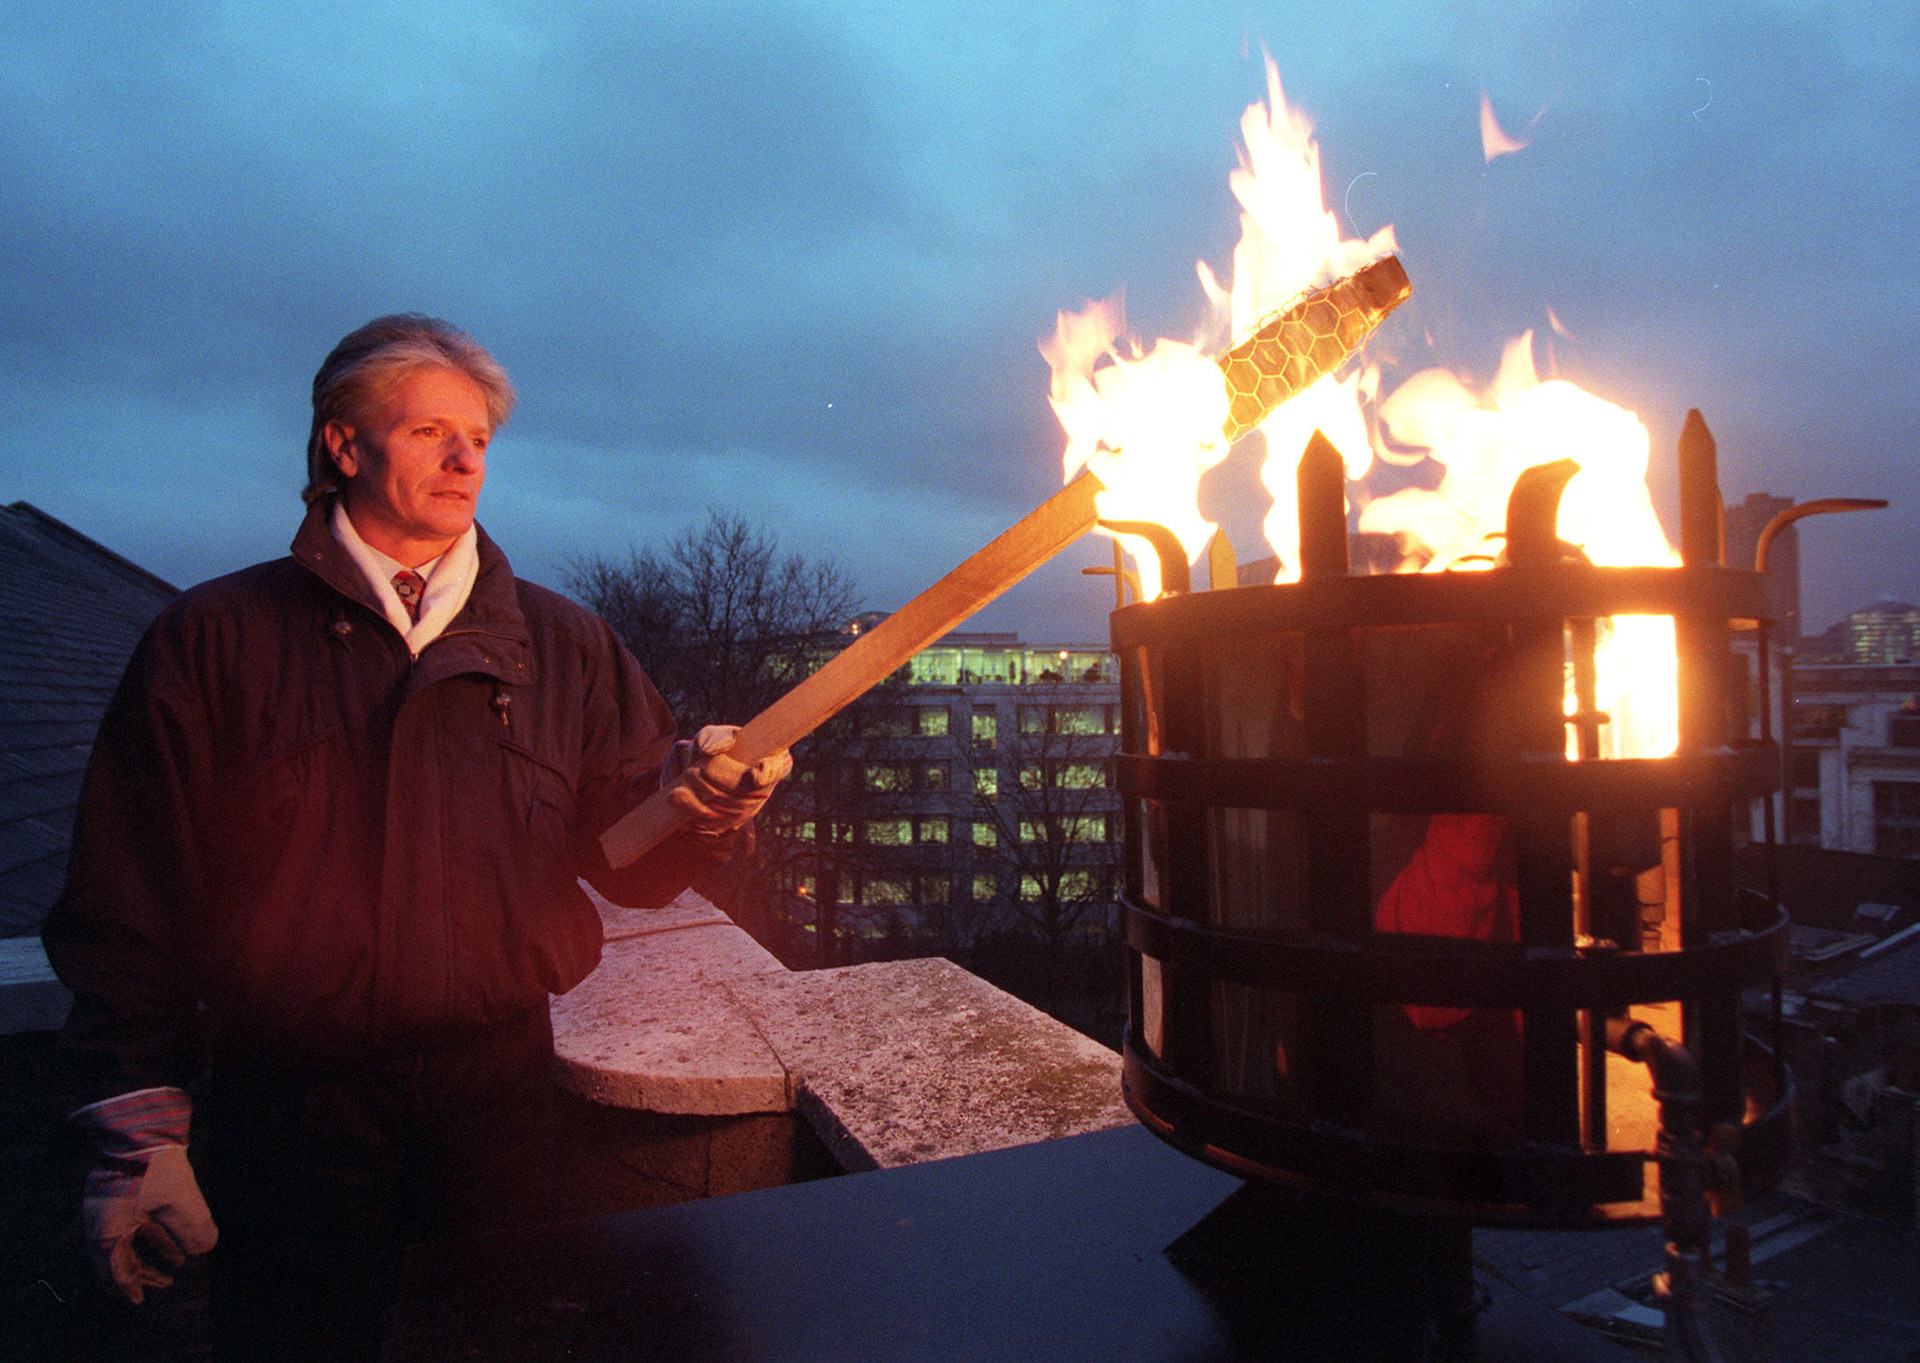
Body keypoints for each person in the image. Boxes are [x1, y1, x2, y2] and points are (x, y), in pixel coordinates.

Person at [43, 314, 789, 1359]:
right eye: (432, 430)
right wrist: (137, 1137)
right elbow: (130, 898)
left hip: (502, 1107)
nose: (464, 458)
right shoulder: (218, 640)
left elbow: (631, 859)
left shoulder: (562, 643)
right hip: (288, 1116)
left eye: (479, 438)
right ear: (345, 446)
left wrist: (703, 804)